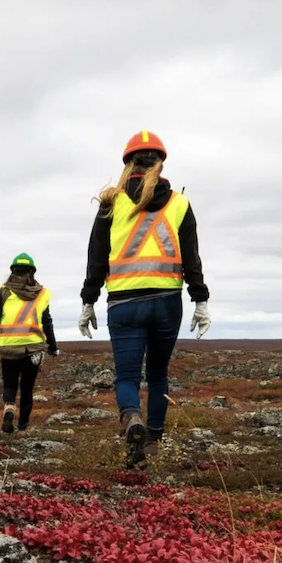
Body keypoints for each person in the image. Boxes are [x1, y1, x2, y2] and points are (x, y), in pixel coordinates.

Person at [77, 130, 210, 465]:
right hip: (167, 302)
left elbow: (96, 256)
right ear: (160, 163)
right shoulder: (179, 203)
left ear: (129, 163)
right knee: (158, 376)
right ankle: (152, 441)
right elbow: (191, 258)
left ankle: (132, 419)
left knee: (126, 377)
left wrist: (88, 300)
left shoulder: (112, 202)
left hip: (123, 303)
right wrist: (201, 299)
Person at [0, 251, 59, 433]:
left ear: (13, 271)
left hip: (9, 348)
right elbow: (47, 322)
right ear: (32, 272)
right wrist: (53, 347)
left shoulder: (4, 291)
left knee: (10, 385)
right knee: (27, 388)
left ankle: (8, 408)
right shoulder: (42, 294)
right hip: (34, 350)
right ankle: (22, 427)